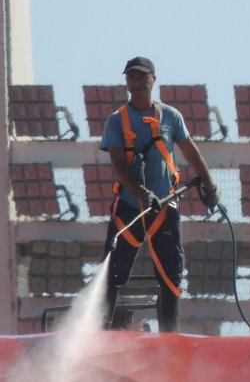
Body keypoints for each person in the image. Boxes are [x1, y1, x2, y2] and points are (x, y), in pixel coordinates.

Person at [100, 56, 220, 332]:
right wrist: (142, 192)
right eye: (131, 76)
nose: (137, 81)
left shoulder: (170, 117)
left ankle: (169, 337)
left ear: (153, 79)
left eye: (142, 76)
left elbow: (190, 151)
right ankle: (103, 333)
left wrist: (209, 186)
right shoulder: (117, 122)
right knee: (112, 271)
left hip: (165, 206)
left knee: (171, 274)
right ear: (126, 81)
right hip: (130, 208)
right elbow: (119, 165)